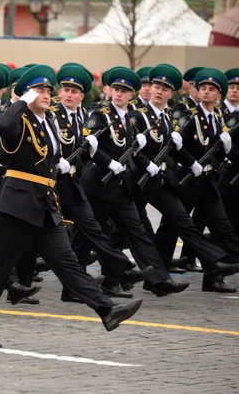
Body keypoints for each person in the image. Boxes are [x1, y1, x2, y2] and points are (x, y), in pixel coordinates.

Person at [0, 65, 142, 349]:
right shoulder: (19, 119)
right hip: (17, 204)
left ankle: (106, 310)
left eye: (48, 90)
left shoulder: (47, 121)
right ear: (27, 94)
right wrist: (21, 99)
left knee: (68, 262)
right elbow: (3, 128)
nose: (47, 95)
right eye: (40, 91)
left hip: (45, 203)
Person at [80, 66, 190, 297]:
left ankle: (159, 281)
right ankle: (76, 283)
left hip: (120, 187)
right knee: (88, 237)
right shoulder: (100, 115)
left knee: (138, 234)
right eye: (116, 89)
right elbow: (90, 143)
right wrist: (108, 162)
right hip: (98, 185)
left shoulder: (131, 118)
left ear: (133, 94)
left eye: (124, 91)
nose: (119, 94)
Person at [47, 64, 153, 301]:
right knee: (27, 239)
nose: (69, 94)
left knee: (91, 229)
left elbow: (87, 148)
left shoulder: (82, 117)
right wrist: (58, 160)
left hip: (72, 183)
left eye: (74, 91)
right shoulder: (52, 114)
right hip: (49, 183)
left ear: (82, 95)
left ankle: (120, 270)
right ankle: (13, 280)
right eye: (65, 89)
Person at [155, 68, 239, 293]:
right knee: (170, 228)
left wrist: (227, 149)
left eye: (211, 89)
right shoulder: (190, 115)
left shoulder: (218, 117)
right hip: (187, 180)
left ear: (218, 95)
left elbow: (218, 151)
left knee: (223, 227)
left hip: (208, 181)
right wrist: (191, 162)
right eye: (203, 88)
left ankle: (215, 276)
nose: (206, 92)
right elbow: (174, 146)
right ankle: (157, 278)